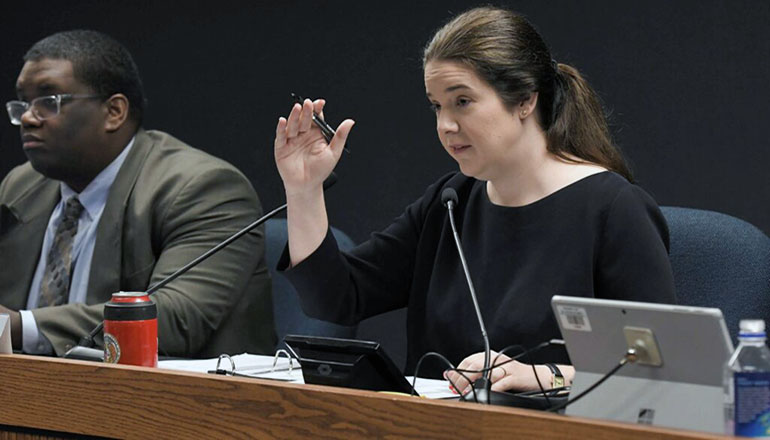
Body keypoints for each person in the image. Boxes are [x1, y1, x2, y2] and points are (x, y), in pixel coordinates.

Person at [273, 6, 676, 395]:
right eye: (436, 106)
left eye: (462, 101)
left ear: (524, 100)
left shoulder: (613, 209)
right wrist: (304, 190)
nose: (445, 125)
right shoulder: (450, 202)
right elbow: (336, 298)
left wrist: (545, 376)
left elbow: (658, 368)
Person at [0, 30, 276, 357]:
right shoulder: (21, 187)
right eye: (24, 103)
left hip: (170, 401)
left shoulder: (203, 189)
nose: (28, 118)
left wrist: (18, 326)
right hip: (28, 394)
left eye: (49, 101)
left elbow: (172, 319)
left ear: (114, 112)